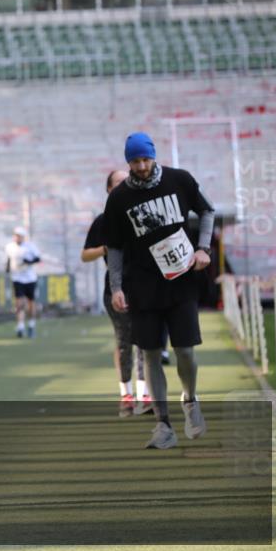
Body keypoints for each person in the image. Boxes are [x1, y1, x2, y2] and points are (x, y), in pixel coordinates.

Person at [104, 132, 215, 449]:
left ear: (154, 156)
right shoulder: (119, 198)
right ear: (128, 161)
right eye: (134, 161)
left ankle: (190, 400)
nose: (140, 166)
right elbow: (114, 247)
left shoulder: (179, 180)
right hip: (142, 285)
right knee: (150, 353)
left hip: (181, 281)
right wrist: (116, 287)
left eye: (145, 159)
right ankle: (163, 424)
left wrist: (203, 248)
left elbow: (207, 210)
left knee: (185, 352)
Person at [82, 170, 153, 417]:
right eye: (120, 182)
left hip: (144, 287)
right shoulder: (103, 221)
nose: (126, 185)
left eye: (129, 181)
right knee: (124, 341)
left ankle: (146, 393)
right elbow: (85, 254)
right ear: (109, 190)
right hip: (115, 288)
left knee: (145, 340)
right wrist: (107, 247)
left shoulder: (144, 215)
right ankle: (126, 394)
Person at [5, 227, 41, 338]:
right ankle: (20, 326)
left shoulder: (30, 247)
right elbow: (9, 259)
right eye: (16, 235)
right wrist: (7, 269)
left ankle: (31, 325)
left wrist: (28, 262)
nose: (17, 237)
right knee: (19, 302)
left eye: (19, 235)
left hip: (30, 278)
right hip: (17, 278)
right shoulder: (10, 247)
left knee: (31, 303)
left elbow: (38, 259)